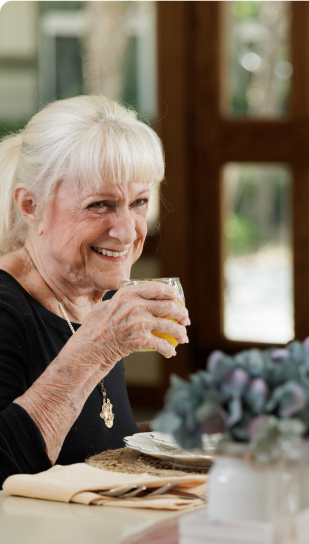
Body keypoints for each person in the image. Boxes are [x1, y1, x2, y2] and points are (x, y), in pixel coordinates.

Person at [0, 95, 189, 483]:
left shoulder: (91, 300)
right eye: (100, 205)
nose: (127, 231)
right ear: (30, 205)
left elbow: (92, 444)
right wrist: (97, 347)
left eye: (138, 203)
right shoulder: (6, 307)